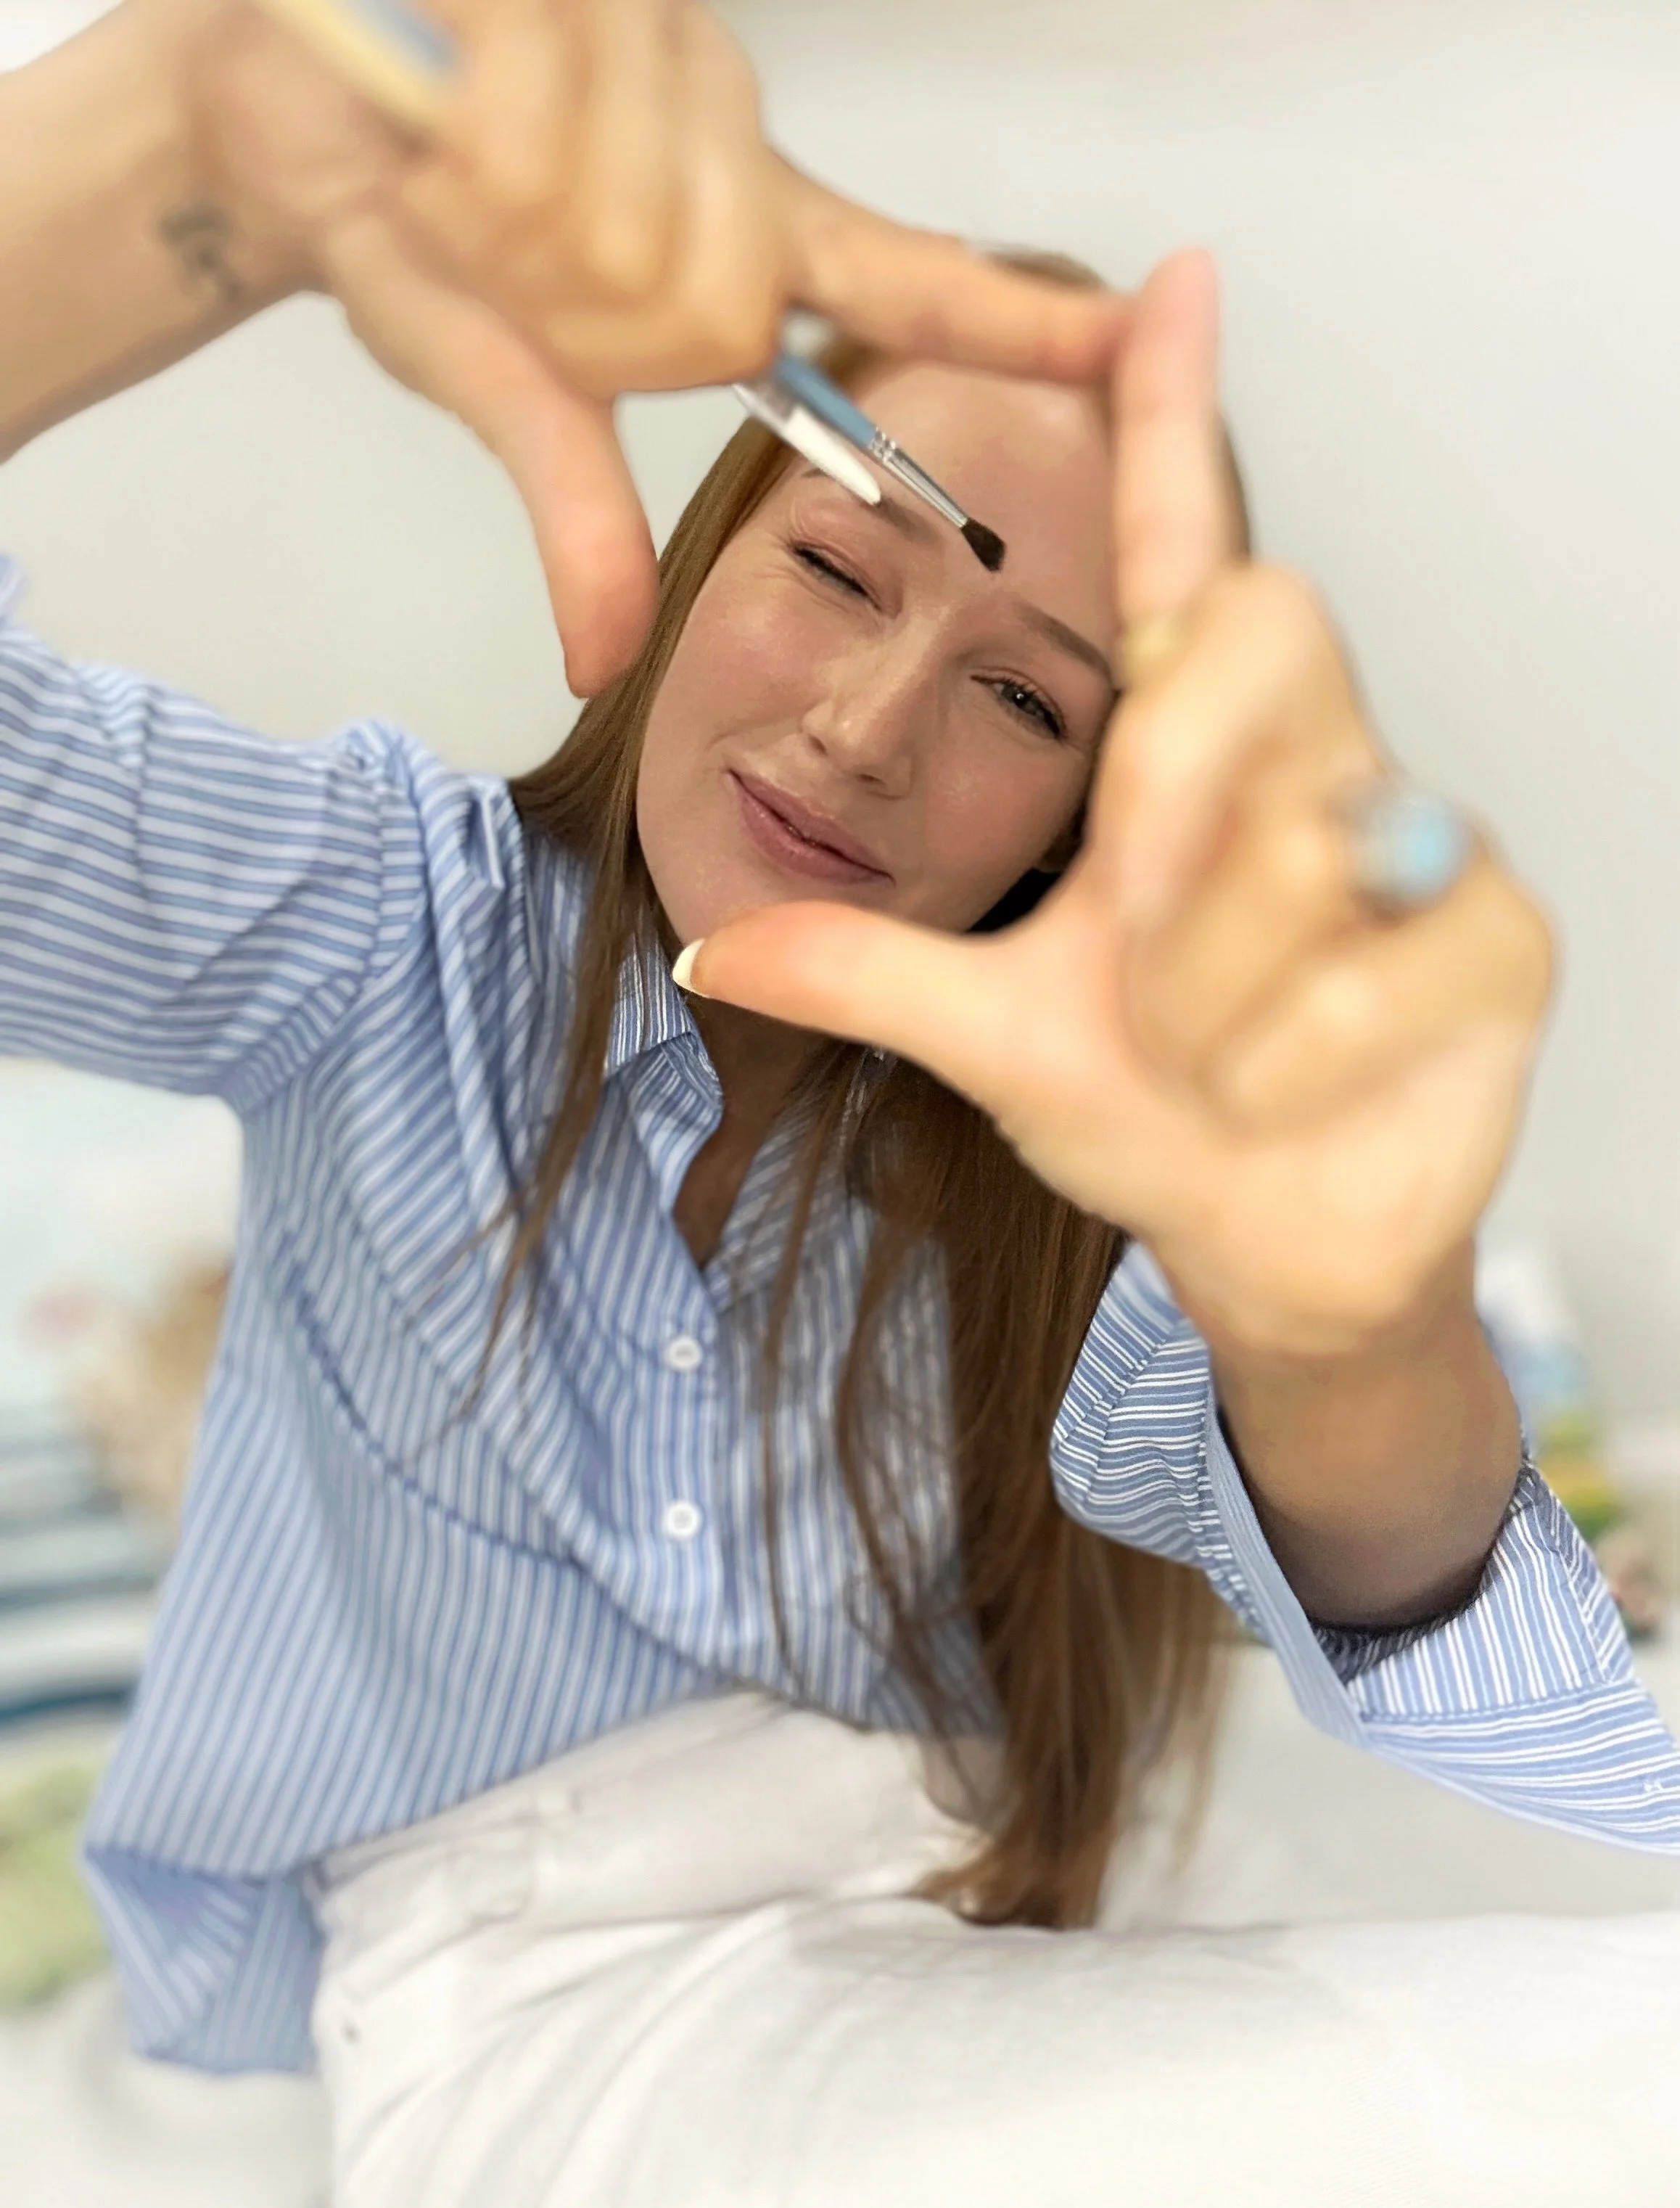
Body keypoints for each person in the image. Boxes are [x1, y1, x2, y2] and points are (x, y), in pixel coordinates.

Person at [2, 1, 1677, 2200]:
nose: (877, 727)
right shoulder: (380, 925)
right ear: (702, 558)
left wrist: (1359, 1332)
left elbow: (1480, 1674)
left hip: (989, 1916)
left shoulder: (1080, 1150)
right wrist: (149, 155)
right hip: (559, 1980)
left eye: (1014, 693)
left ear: (1081, 817)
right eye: (833, 564)